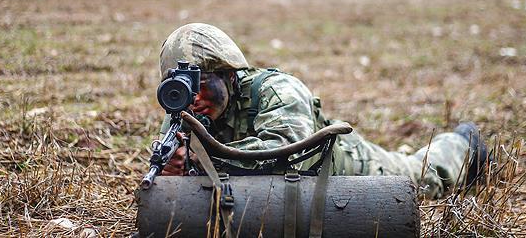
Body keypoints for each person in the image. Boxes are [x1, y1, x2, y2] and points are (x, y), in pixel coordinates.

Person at [158, 23, 491, 199]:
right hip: (287, 192)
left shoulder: (277, 90)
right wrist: (171, 175)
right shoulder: (182, 114)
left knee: (422, 178)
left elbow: (285, 154)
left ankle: (463, 144)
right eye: (182, 87)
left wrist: (202, 160)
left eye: (201, 83)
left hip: (340, 166)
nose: (193, 98)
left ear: (229, 74)